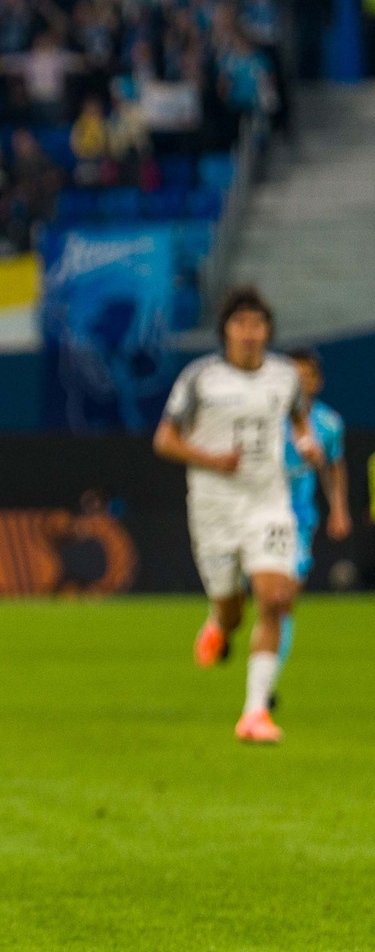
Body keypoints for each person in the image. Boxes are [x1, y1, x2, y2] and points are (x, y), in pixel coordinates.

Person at [153, 287, 310, 744]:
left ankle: (254, 713)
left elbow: (299, 420)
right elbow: (165, 440)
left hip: (268, 503)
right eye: (240, 324)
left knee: (276, 597)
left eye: (258, 325)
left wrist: (306, 444)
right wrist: (211, 459)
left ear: (268, 332)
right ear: (225, 331)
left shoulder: (285, 377)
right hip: (214, 507)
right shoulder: (200, 378)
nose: (249, 333)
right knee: (233, 610)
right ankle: (219, 622)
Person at [273, 346, 352, 705]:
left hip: (298, 517)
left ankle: (267, 682)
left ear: (318, 382)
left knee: (285, 597)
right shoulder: (263, 416)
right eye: (294, 376)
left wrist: (339, 509)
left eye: (307, 377)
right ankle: (222, 622)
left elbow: (334, 466)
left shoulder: (329, 424)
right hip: (253, 512)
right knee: (248, 595)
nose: (301, 383)